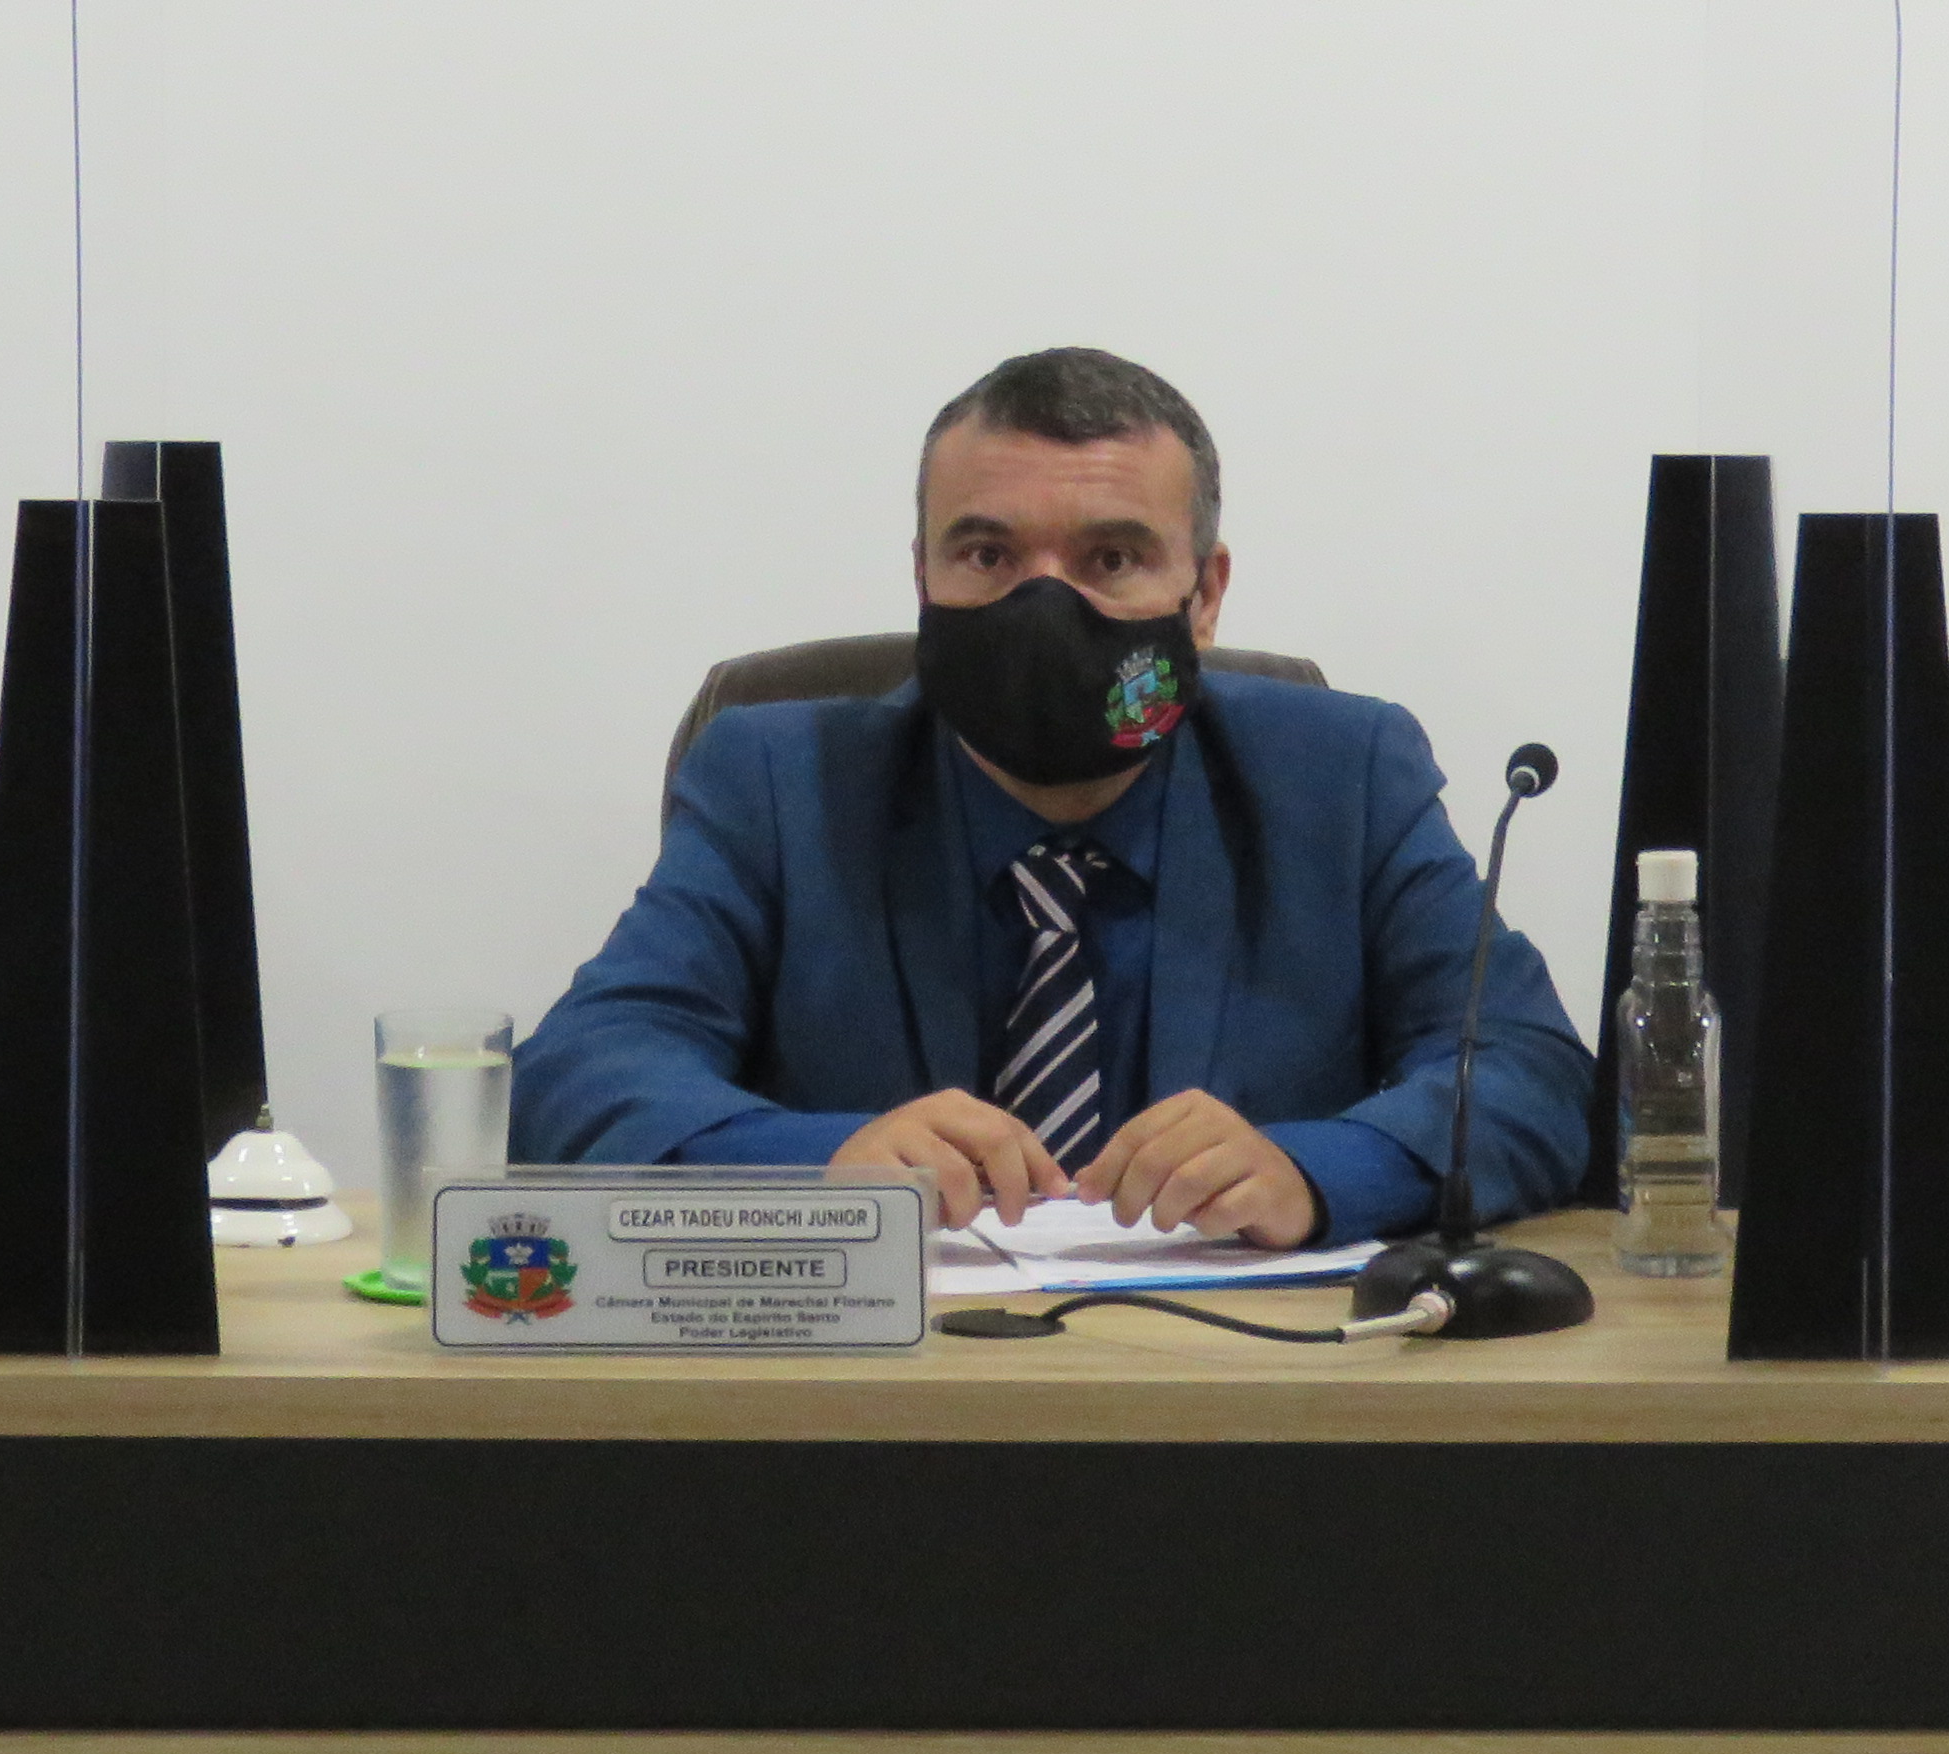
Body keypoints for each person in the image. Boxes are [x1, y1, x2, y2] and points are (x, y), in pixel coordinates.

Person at [514, 347, 1594, 1247]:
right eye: (987, 554)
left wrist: (1318, 1171)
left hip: (1248, 1387)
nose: (1043, 606)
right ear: (923, 577)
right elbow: (579, 1071)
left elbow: (1531, 1068)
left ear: (1204, 593)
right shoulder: (779, 780)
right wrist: (821, 1164)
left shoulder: (1339, 773)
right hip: (882, 1385)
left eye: (1111, 558)